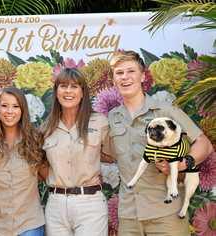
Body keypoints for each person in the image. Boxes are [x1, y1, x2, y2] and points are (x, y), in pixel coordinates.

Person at [108, 50, 214, 236]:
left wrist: (182, 165)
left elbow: (204, 144)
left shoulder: (166, 110)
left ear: (143, 76)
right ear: (114, 80)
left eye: (131, 71)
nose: (125, 77)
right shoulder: (112, 117)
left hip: (166, 214)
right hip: (129, 217)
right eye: (119, 73)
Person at [42, 68, 111, 236]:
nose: (68, 91)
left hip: (90, 204)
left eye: (74, 86)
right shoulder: (46, 127)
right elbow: (40, 164)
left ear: (82, 93)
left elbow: (113, 156)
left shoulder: (99, 122)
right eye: (63, 86)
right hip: (56, 205)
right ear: (56, 92)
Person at [0, 87, 45, 236]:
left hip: (29, 225)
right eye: (4, 106)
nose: (10, 111)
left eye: (15, 106)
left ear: (23, 110)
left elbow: (47, 175)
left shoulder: (36, 140)